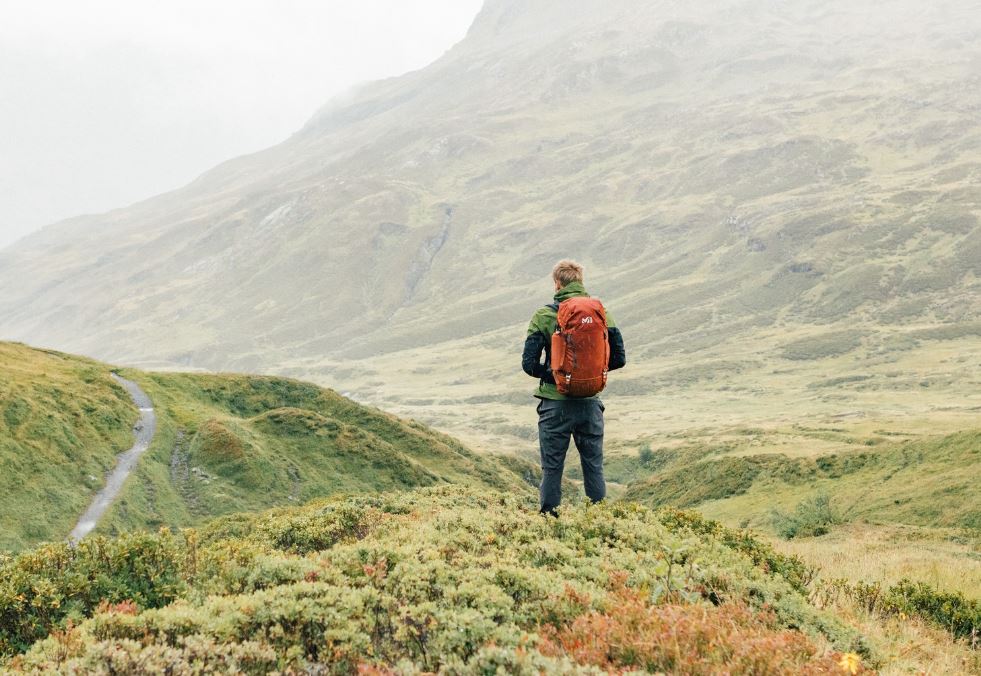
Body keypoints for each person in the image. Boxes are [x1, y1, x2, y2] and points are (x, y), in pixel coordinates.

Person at [522, 260, 626, 514]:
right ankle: (599, 521)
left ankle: (549, 524)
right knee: (593, 466)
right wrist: (586, 374)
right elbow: (619, 358)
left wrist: (560, 375)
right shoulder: (602, 313)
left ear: (557, 283)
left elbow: (529, 363)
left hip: (554, 406)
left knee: (552, 467)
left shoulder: (545, 315)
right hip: (590, 404)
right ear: (580, 282)